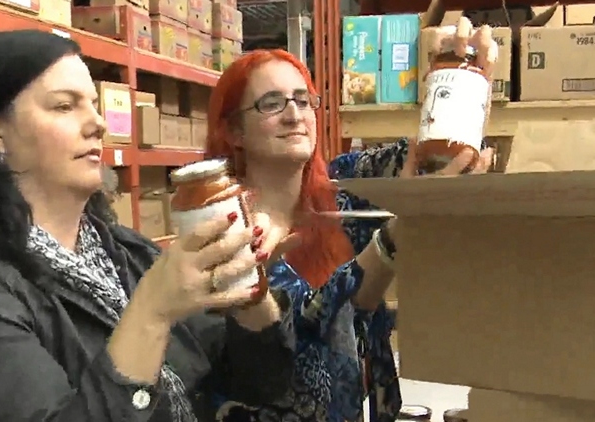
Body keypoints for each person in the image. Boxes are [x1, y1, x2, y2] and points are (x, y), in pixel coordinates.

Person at [0, 30, 296, 422]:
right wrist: (152, 313)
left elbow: (258, 384)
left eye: (94, 105)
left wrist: (248, 282)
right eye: (63, 106)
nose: (98, 124)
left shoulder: (127, 254)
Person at [204, 18, 497, 422]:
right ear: (235, 131)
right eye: (271, 103)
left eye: (303, 100)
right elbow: (308, 323)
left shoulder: (344, 191)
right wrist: (397, 233)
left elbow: (434, 164)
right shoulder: (226, 230)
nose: (294, 114)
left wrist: (464, 83)